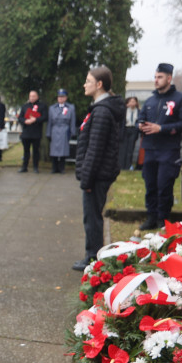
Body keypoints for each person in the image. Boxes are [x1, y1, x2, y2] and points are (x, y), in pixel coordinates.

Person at [74, 66, 124, 271]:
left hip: (97, 175)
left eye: (88, 80)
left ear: (99, 84)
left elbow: (95, 150)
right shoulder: (100, 108)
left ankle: (93, 258)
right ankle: (93, 255)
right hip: (98, 173)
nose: (85, 84)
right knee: (92, 216)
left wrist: (86, 180)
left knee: (92, 217)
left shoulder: (102, 112)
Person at [138, 63, 182, 230]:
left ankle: (163, 219)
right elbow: (139, 119)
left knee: (164, 185)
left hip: (168, 150)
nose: (156, 80)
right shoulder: (150, 100)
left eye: (160, 77)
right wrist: (139, 125)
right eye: (155, 77)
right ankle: (151, 217)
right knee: (150, 185)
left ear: (169, 78)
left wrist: (161, 128)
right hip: (150, 149)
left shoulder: (180, 99)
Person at [47, 89, 76, 174]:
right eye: (59, 97)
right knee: (54, 150)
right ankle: (54, 168)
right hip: (55, 130)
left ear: (66, 98)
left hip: (64, 130)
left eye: (62, 97)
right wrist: (48, 133)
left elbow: (72, 121)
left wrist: (72, 132)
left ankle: (62, 168)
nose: (60, 98)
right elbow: (49, 122)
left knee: (64, 150)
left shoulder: (70, 108)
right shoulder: (52, 108)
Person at [17, 89, 47, 173]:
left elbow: (45, 117)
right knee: (26, 151)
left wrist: (35, 119)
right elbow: (20, 117)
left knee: (36, 151)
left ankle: (35, 167)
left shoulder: (42, 106)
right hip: (26, 132)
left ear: (37, 97)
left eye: (34, 96)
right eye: (30, 96)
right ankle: (24, 167)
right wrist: (25, 121)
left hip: (36, 132)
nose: (32, 98)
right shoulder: (25, 106)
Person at [120, 96, 140, 171]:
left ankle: (128, 166)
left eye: (134, 101)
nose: (132, 103)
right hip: (125, 130)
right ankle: (121, 165)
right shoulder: (124, 111)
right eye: (131, 101)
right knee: (123, 148)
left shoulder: (138, 111)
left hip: (133, 130)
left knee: (130, 149)